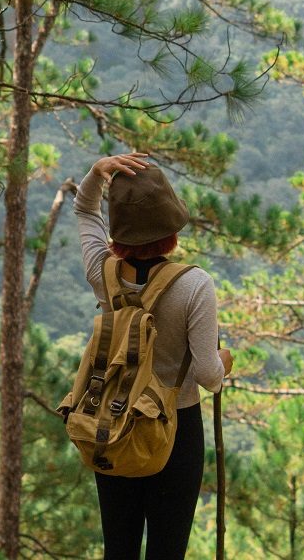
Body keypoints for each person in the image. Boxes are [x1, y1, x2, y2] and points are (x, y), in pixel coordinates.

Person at [75, 151, 234, 560]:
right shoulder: (195, 285)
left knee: (119, 549)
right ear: (171, 230)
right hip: (175, 429)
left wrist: (97, 173)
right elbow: (208, 375)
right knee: (167, 551)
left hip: (111, 424)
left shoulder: (103, 273)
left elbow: (84, 210)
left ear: (119, 235)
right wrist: (226, 362)